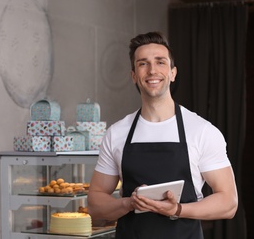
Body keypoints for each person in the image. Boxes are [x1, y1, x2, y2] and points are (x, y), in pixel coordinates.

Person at [87, 31, 238, 238]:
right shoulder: (117, 133)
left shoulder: (201, 131)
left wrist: (177, 210)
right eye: (142, 63)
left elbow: (228, 203)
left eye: (160, 62)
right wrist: (129, 203)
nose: (152, 70)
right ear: (133, 76)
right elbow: (95, 204)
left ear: (173, 73)